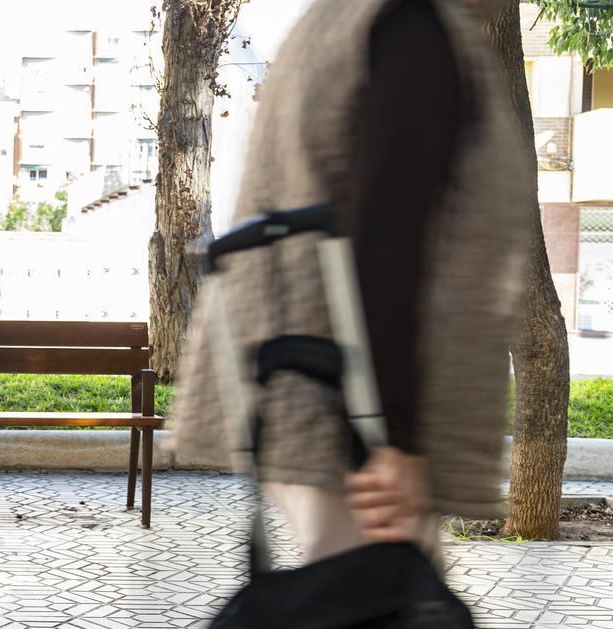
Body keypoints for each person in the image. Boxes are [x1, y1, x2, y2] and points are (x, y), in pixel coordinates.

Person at [171, 0, 530, 563]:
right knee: (377, 628)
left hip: (306, 384)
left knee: (371, 626)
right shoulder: (410, 27)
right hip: (350, 414)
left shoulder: (340, 20)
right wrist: (394, 439)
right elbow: (388, 235)